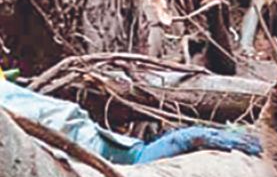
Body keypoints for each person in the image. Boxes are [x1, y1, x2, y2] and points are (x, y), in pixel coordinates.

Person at [0, 69, 258, 163]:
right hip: (94, 151)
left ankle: (253, 143)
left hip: (94, 147)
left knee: (190, 138)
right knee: (188, 138)